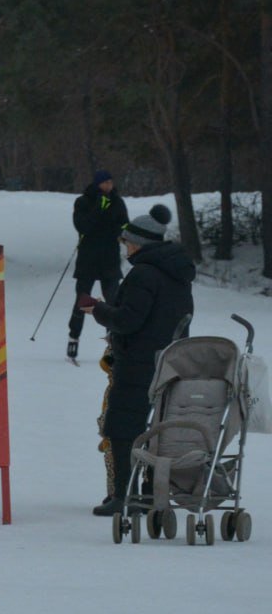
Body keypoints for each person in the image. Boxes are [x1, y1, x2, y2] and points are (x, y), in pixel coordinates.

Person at [80, 204, 194, 515]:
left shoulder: (144, 273)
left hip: (140, 362)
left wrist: (99, 311)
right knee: (158, 430)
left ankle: (124, 496)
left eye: (127, 242)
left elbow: (129, 320)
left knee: (123, 427)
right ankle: (148, 493)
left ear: (139, 244)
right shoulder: (177, 272)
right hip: (171, 361)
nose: (125, 247)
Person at [67, 169, 128, 361]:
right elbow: (83, 227)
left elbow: (124, 225)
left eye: (110, 182)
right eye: (105, 182)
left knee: (113, 302)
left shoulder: (117, 202)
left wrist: (118, 232)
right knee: (83, 300)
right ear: (97, 184)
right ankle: (73, 337)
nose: (108, 186)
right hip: (88, 260)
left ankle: (114, 340)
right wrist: (98, 209)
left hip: (109, 259)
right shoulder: (83, 202)